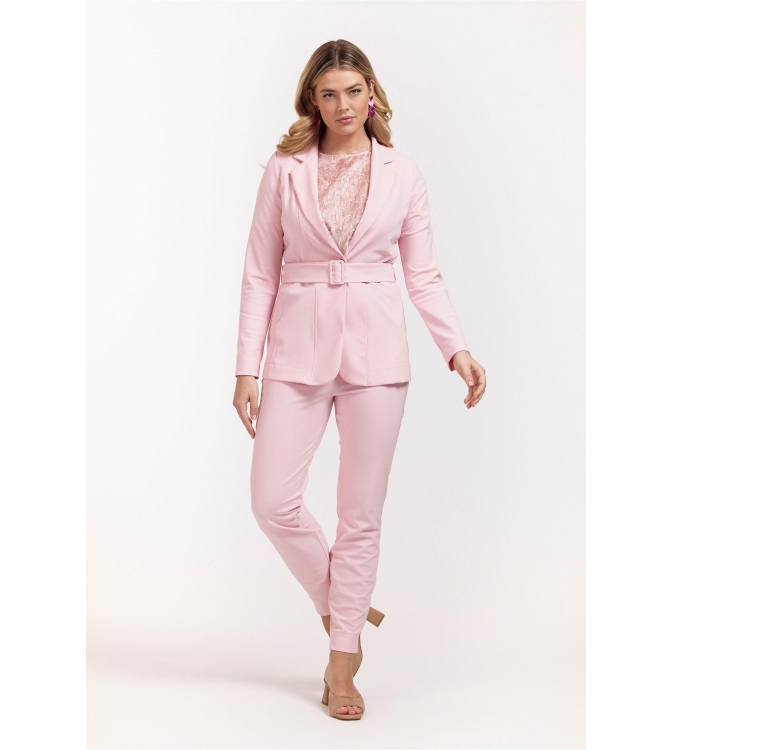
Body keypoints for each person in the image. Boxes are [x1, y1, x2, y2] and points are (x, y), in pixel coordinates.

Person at [231, 39, 486, 720]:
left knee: (360, 513)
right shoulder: (285, 169)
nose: (342, 105)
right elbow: (259, 270)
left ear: (370, 94)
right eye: (328, 94)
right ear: (311, 102)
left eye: (352, 91)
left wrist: (455, 349)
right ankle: (342, 606)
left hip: (377, 355)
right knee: (271, 500)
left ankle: (342, 663)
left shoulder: (403, 172)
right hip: (294, 351)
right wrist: (246, 367)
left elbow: (422, 273)